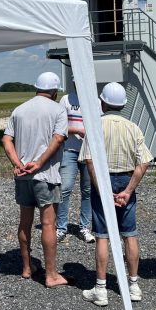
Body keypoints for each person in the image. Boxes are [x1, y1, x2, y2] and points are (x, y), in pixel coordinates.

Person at [79, 82, 152, 307]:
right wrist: (128, 190)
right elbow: (144, 162)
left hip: (103, 179)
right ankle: (133, 285)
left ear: (102, 102)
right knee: (130, 233)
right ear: (123, 105)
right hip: (127, 179)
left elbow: (90, 162)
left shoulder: (95, 126)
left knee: (102, 235)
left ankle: (101, 289)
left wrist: (103, 192)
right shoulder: (133, 127)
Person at [2, 72, 68, 288]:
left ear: (36, 88)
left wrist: (17, 163)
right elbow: (58, 139)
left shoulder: (19, 109)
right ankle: (51, 275)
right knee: (49, 223)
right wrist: (39, 162)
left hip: (23, 175)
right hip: (46, 174)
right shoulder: (58, 109)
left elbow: (6, 139)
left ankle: (27, 267)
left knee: (25, 222)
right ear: (55, 91)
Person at [56, 85, 95, 244]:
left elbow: (99, 123)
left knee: (88, 190)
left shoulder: (95, 100)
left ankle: (84, 227)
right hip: (69, 150)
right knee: (65, 188)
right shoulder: (66, 99)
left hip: (89, 152)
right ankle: (61, 228)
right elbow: (60, 124)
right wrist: (78, 131)